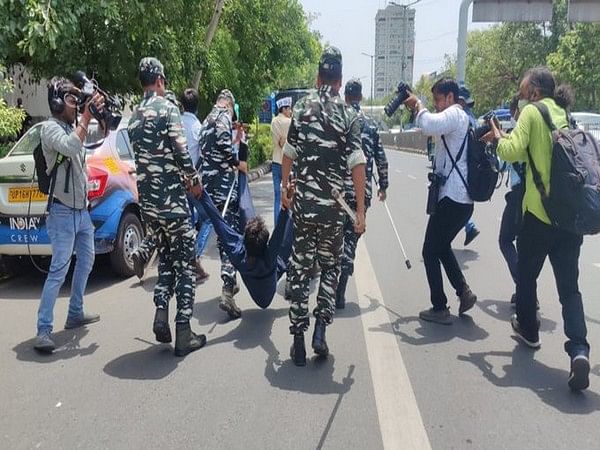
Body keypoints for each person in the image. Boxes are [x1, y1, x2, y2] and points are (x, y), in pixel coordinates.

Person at [484, 67, 591, 391]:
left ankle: (529, 331)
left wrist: (498, 136)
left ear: (534, 91)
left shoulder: (531, 112)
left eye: (522, 88)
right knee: (569, 288)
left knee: (527, 276)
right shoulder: (566, 115)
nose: (519, 93)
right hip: (570, 219)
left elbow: (512, 151)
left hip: (539, 216)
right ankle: (579, 351)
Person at [281, 46, 367, 366]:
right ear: (340, 81)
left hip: (303, 206)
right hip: (333, 210)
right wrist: (359, 212)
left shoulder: (301, 109)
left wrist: (285, 189)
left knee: (301, 270)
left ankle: (298, 341)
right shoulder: (348, 114)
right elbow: (358, 164)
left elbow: (288, 153)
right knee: (330, 268)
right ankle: (320, 330)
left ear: (317, 76)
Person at [128, 57, 206, 357]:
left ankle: (161, 314)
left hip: (149, 206)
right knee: (185, 264)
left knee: (165, 260)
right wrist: (194, 180)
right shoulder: (167, 109)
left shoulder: (134, 116)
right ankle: (184, 331)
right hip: (173, 203)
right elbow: (180, 150)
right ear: (160, 79)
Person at [33, 78, 106, 352]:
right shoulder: (50, 129)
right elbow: (71, 146)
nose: (76, 105)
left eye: (77, 100)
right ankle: (43, 329)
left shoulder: (71, 127)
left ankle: (75, 312)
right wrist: (86, 117)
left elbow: (94, 140)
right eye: (71, 100)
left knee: (87, 260)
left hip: (81, 212)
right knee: (58, 270)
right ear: (56, 101)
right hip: (62, 213)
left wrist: (102, 115)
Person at [403, 78, 477, 325]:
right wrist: (417, 109)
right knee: (441, 246)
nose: (435, 105)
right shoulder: (459, 117)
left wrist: (418, 105)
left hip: (453, 198)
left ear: (450, 98)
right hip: (459, 199)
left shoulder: (455, 114)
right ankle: (464, 292)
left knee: (429, 250)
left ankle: (439, 307)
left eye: (438, 100)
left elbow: (428, 124)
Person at [336, 78, 389, 309]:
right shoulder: (371, 124)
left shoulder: (338, 119)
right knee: (351, 237)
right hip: (361, 191)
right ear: (360, 97)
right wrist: (383, 185)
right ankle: (343, 278)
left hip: (337, 190)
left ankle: (334, 278)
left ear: (346, 96)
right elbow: (381, 159)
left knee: (335, 235)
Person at [200, 89, 243, 319]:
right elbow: (227, 152)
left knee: (221, 235)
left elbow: (210, 149)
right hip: (225, 189)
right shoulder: (224, 117)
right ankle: (228, 288)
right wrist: (239, 163)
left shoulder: (207, 119)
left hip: (210, 189)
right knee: (231, 236)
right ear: (229, 103)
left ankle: (231, 281)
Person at [498, 95, 527, 307]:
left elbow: (501, 164)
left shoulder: (518, 133)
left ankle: (524, 288)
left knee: (506, 240)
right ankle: (525, 290)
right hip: (539, 197)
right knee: (527, 247)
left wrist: (498, 139)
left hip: (519, 196)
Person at [457, 86, 480, 246]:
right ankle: (469, 226)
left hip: (462, 165)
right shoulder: (473, 119)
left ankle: (470, 227)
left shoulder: (461, 118)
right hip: (473, 166)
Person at [271, 96, 292, 224]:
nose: (290, 111)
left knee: (277, 198)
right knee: (289, 196)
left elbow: (277, 143)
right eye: (289, 108)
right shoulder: (290, 122)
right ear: (284, 109)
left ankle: (276, 226)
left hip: (275, 163)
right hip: (288, 165)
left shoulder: (274, 122)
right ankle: (287, 227)